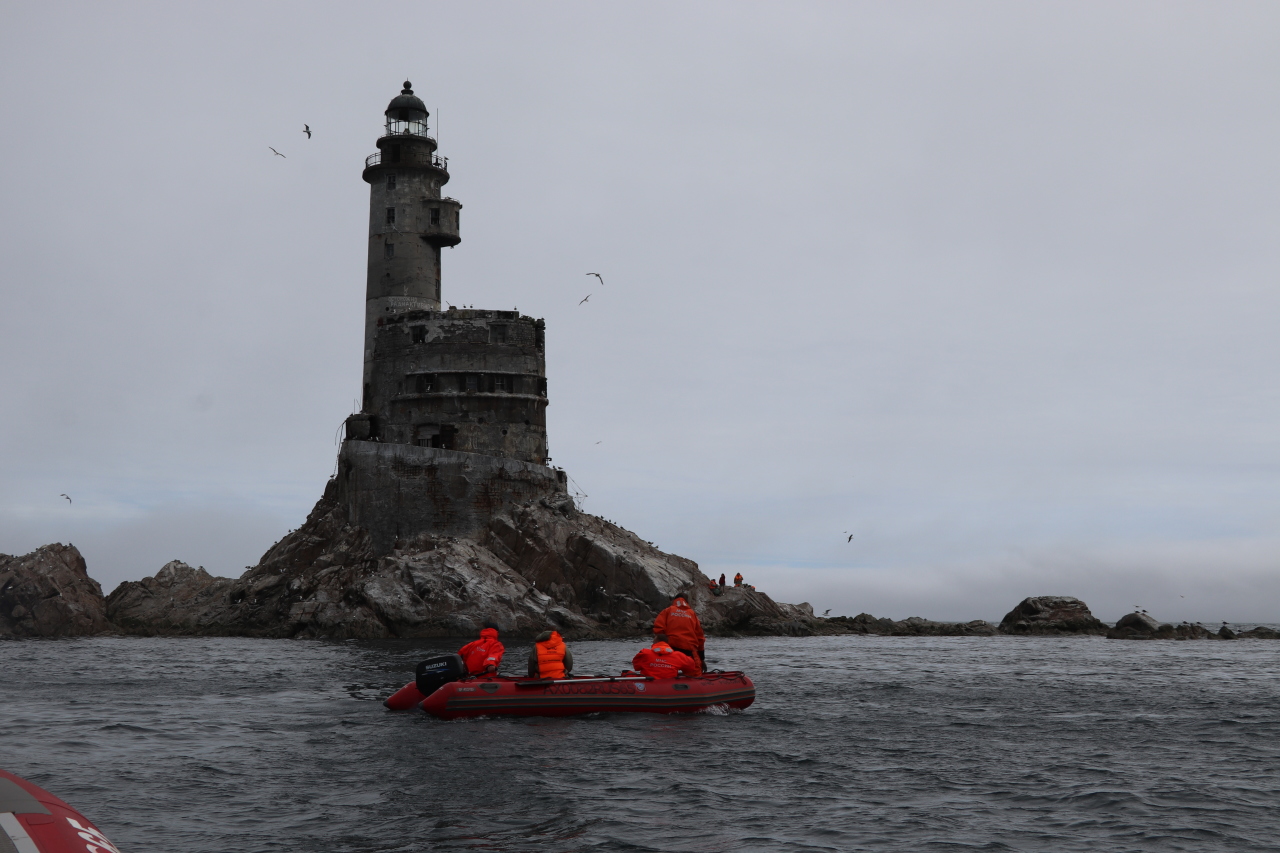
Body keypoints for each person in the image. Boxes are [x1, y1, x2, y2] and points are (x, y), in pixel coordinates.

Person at [652, 594, 706, 666]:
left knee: (666, 668)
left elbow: (659, 630)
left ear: (674, 600)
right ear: (686, 602)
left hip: (670, 648)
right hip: (688, 648)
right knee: (695, 672)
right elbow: (700, 637)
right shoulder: (692, 614)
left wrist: (662, 647)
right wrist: (702, 658)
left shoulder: (667, 611)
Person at [632, 636, 700, 678]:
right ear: (667, 643)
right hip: (670, 684)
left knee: (627, 673)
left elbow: (637, 667)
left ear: (655, 642)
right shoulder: (678, 656)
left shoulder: (645, 653)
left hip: (648, 684)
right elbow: (691, 667)